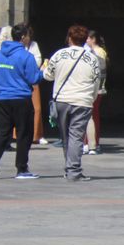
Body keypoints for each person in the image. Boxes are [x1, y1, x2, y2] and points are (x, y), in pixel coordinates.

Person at [43, 25, 107, 182]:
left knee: (66, 137)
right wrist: (91, 99)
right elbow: (96, 82)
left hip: (62, 100)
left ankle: (69, 168)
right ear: (85, 39)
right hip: (82, 101)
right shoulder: (92, 58)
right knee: (76, 137)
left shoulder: (59, 55)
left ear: (69, 38)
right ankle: (73, 170)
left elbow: (47, 76)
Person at [0, 23, 43, 180]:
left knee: (2, 134)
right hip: (21, 99)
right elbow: (33, 78)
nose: (29, 39)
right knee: (24, 134)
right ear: (23, 37)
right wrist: (42, 71)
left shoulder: (0, 54)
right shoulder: (26, 56)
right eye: (28, 36)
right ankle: (22, 169)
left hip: (3, 98)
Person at [84, 31, 108, 155]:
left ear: (93, 39)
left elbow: (101, 71)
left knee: (92, 116)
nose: (86, 40)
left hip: (96, 88)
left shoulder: (98, 52)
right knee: (91, 116)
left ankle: (93, 142)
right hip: (95, 87)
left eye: (88, 38)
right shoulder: (94, 51)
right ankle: (89, 142)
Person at [25, 32, 49, 147]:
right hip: (20, 79)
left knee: (36, 108)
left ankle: (36, 135)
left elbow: (38, 60)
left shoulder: (34, 45)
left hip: (32, 77)